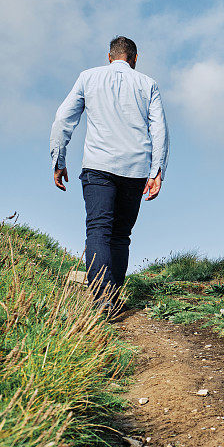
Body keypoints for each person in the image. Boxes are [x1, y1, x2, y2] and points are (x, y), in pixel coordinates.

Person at [49, 36, 170, 314]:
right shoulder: (148, 84)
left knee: (98, 229)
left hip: (98, 166)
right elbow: (159, 129)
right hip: (136, 169)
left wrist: (59, 158)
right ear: (134, 59)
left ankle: (102, 298)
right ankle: (112, 298)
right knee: (121, 236)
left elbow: (62, 119)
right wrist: (157, 171)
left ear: (109, 57)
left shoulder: (88, 77)